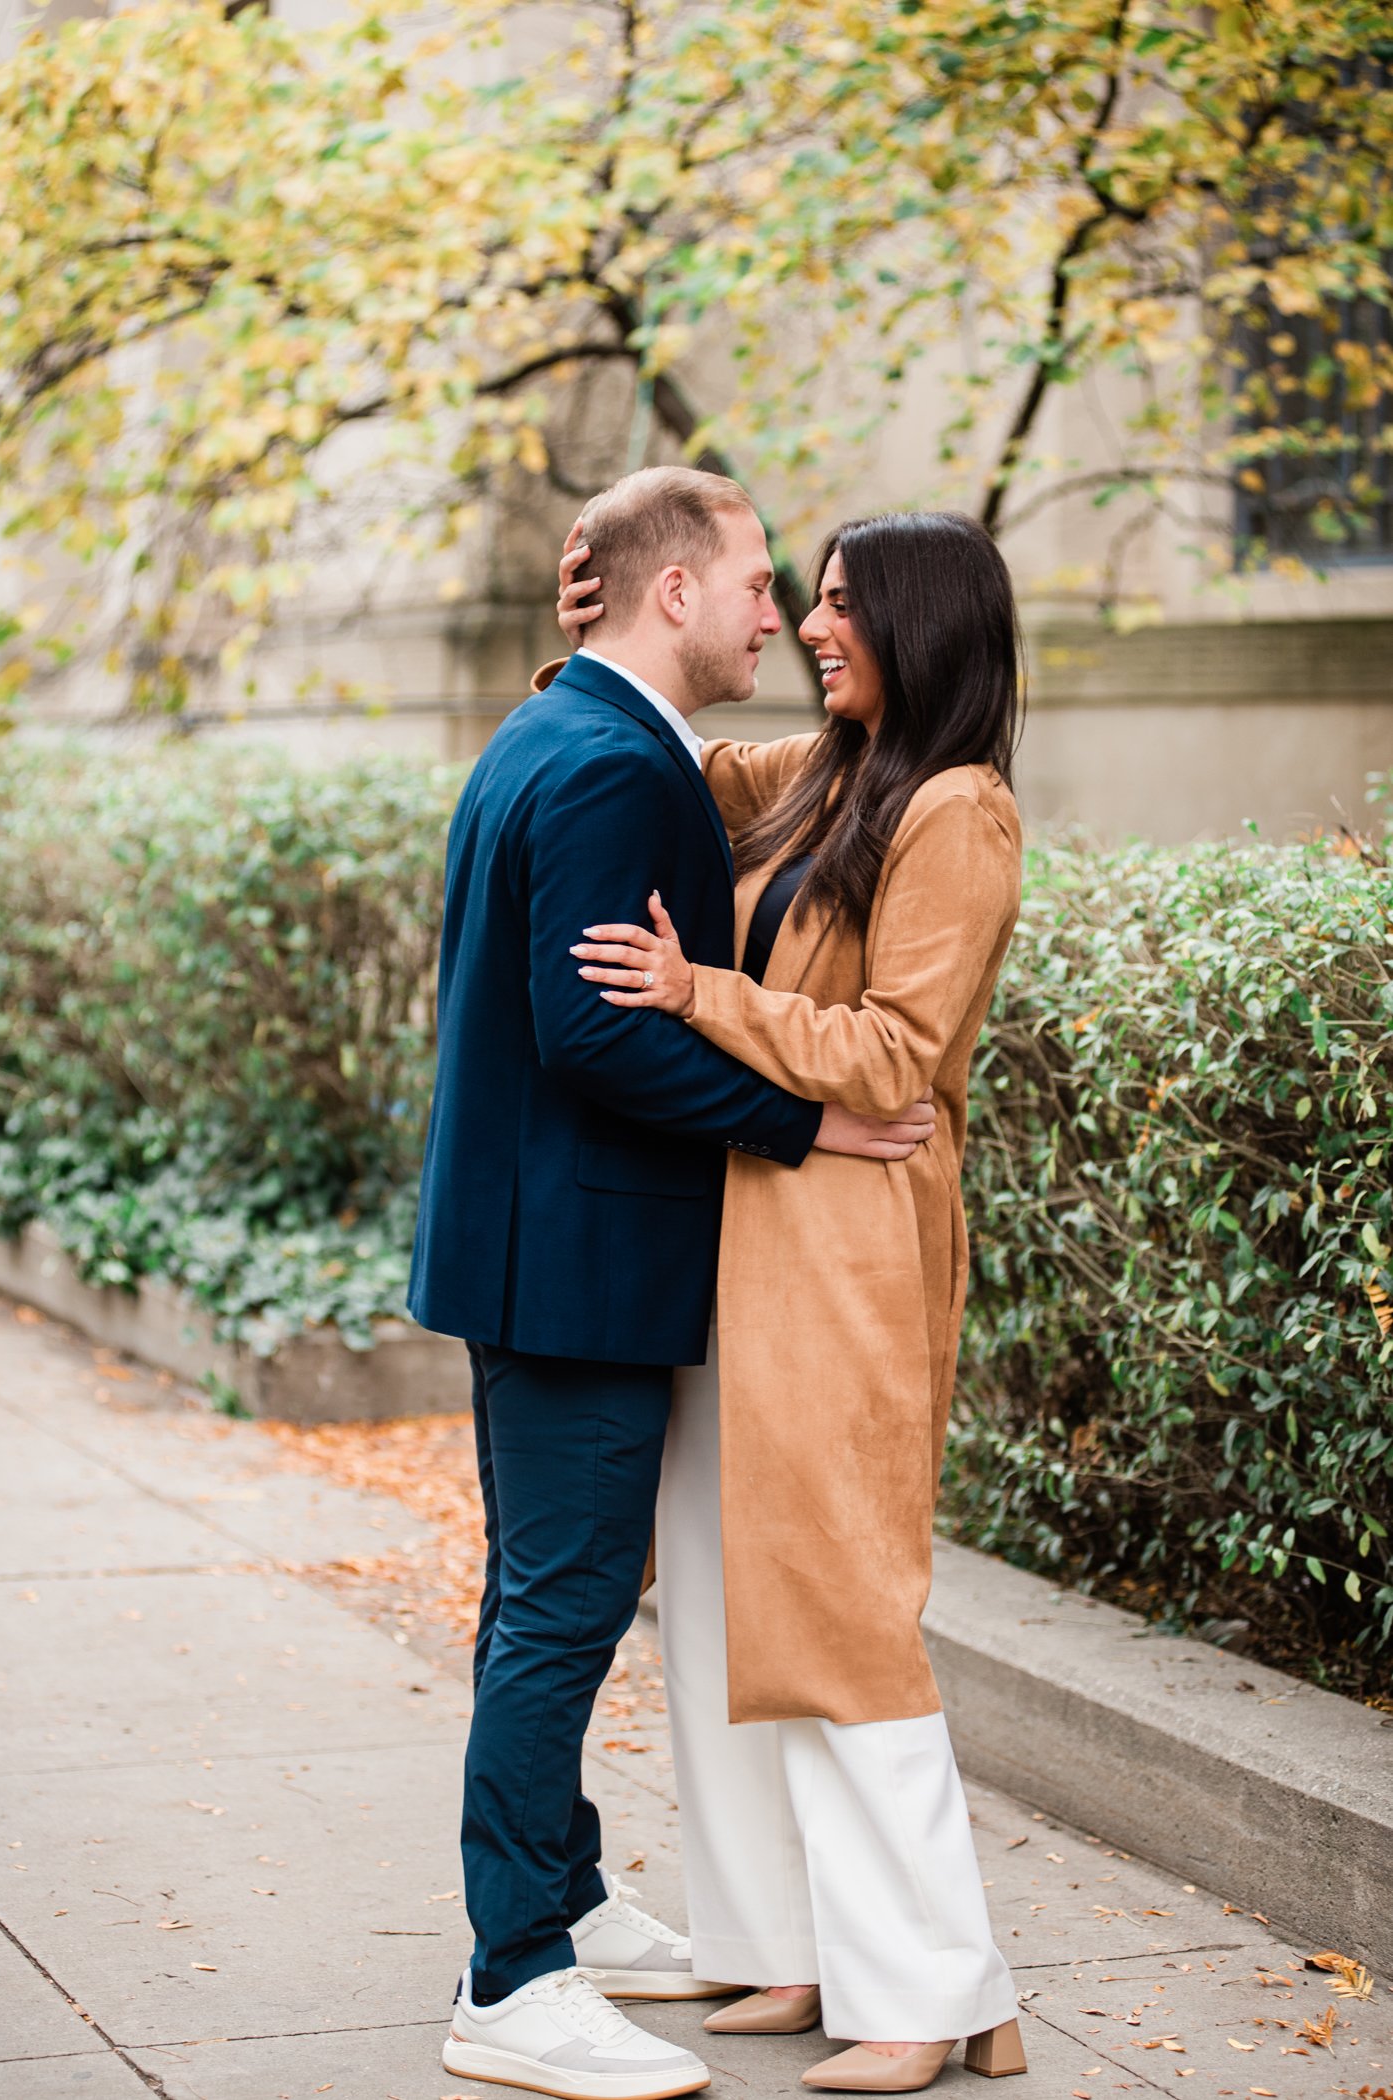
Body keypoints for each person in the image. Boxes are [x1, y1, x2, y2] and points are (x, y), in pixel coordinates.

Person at [407, 465, 938, 2100]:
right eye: (760, 581)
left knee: (537, 1597)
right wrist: (805, 1122)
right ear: (673, 595)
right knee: (559, 1612)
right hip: (576, 1262)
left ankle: (562, 1890)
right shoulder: (615, 769)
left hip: (529, 1249)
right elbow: (593, 1032)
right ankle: (512, 1978)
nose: (776, 612)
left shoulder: (563, 729)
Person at [542, 505, 1029, 2092]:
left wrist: (701, 993)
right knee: (725, 1602)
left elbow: (896, 1054)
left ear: (920, 622)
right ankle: (785, 1948)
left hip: (850, 1248)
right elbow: (649, 746)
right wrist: (599, 620)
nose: (811, 628)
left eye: (837, 606)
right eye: (800, 600)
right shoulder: (820, 775)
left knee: (837, 1610)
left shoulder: (957, 809)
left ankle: (941, 1992)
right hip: (748, 1235)